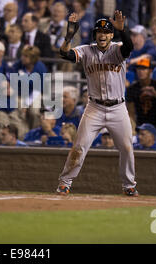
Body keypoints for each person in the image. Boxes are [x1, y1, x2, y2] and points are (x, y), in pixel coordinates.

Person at [57, 10, 138, 197]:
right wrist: (69, 36)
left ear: (111, 35)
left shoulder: (118, 48)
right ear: (95, 35)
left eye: (107, 32)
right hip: (94, 108)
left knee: (126, 147)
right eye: (99, 32)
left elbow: (129, 47)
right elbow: (64, 54)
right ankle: (65, 182)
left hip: (118, 108)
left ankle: (129, 185)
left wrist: (122, 30)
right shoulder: (87, 50)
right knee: (79, 146)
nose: (102, 35)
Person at [125, 58, 156, 131]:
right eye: (138, 69)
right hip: (140, 125)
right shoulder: (131, 89)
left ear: (150, 70)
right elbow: (131, 112)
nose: (141, 71)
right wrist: (133, 128)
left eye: (144, 69)